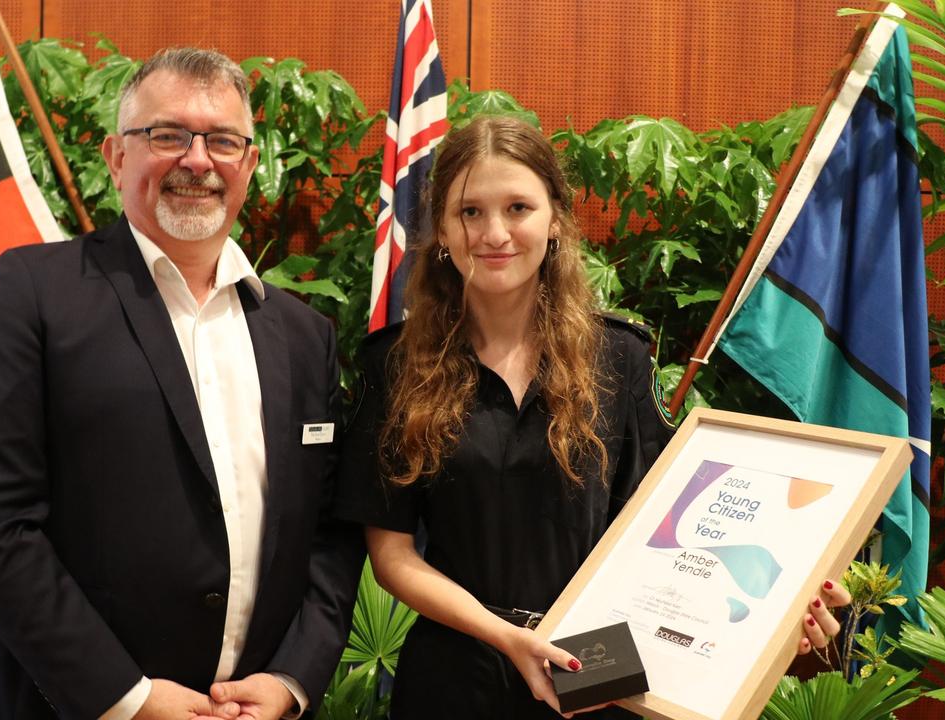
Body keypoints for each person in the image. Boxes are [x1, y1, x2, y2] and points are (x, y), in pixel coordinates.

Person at [333, 115, 849, 719]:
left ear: (555, 222)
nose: (495, 232)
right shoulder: (395, 364)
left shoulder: (620, 357)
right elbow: (393, 557)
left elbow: (674, 531)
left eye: (519, 207)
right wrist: (505, 636)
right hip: (455, 675)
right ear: (442, 232)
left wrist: (785, 600)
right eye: (470, 211)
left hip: (594, 670)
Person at [0, 47, 362, 720]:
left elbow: (332, 536)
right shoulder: (30, 295)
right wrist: (126, 698)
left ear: (250, 165)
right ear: (116, 156)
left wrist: (291, 679)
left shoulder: (305, 339)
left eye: (223, 140)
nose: (197, 160)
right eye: (167, 135)